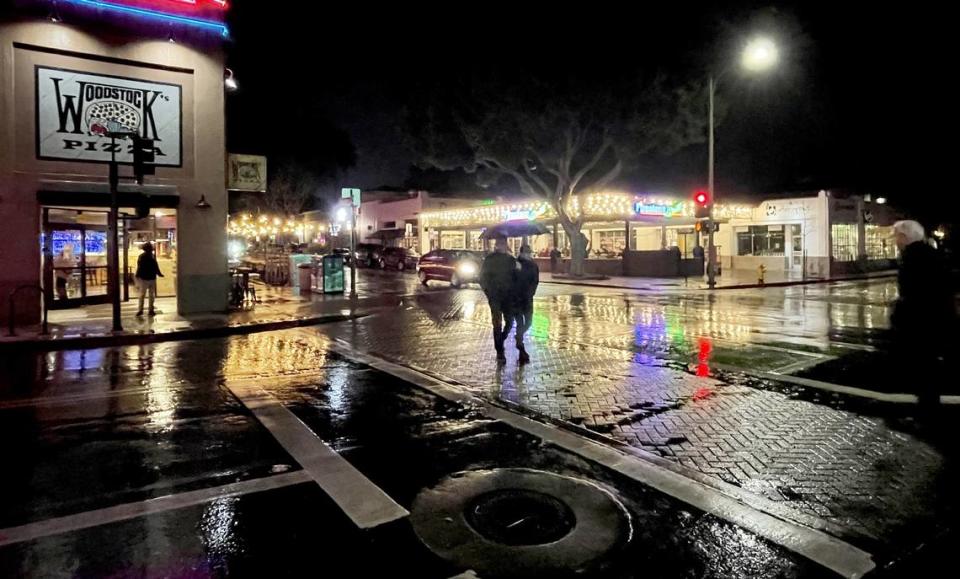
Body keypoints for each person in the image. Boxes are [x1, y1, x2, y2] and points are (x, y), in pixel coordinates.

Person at [890, 220, 956, 411]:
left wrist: (899, 317)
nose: (895, 241)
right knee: (929, 369)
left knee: (924, 370)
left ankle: (927, 412)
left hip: (923, 326)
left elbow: (913, 296)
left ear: (904, 237)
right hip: (936, 322)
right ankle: (928, 406)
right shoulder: (931, 255)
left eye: (897, 236)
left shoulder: (912, 259)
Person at [480, 236, 516, 363]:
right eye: (499, 243)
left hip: (507, 296)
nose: (501, 246)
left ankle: (501, 339)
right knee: (497, 323)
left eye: (503, 244)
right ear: (497, 245)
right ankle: (499, 351)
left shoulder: (511, 259)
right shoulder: (490, 259)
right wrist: (489, 292)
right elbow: (483, 278)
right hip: (495, 296)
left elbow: (515, 277)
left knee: (510, 321)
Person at [512, 244, 540, 364]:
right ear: (521, 253)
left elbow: (536, 280)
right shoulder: (516, 264)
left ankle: (519, 337)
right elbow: (511, 279)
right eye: (526, 253)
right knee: (519, 322)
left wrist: (532, 292)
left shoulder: (533, 265)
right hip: (517, 298)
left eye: (530, 253)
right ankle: (521, 347)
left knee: (528, 322)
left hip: (528, 298)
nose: (528, 255)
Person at [135, 241, 164, 317]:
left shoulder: (142, 256)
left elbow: (139, 267)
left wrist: (137, 275)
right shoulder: (152, 256)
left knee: (142, 295)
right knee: (151, 295)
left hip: (144, 278)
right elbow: (155, 266)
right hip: (151, 277)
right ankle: (150, 310)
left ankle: (140, 310)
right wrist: (159, 273)